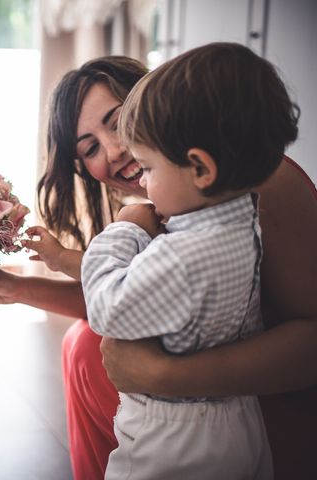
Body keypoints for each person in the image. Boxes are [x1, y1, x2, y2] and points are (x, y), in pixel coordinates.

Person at [0, 53, 317, 479]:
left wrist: (166, 375)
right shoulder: (174, 199)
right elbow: (149, 300)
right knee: (82, 341)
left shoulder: (260, 184)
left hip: (259, 403)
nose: (116, 151)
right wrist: (16, 289)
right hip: (213, 416)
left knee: (86, 346)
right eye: (91, 148)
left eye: (117, 122)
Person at [81, 42, 296, 478]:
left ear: (200, 168)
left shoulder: (184, 254)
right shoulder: (244, 223)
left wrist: (126, 228)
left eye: (148, 167)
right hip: (240, 421)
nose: (140, 178)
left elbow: (105, 307)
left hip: (174, 437)